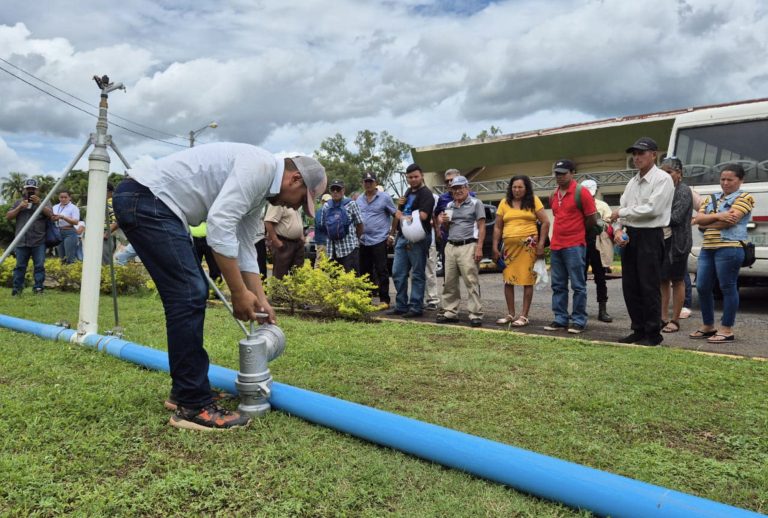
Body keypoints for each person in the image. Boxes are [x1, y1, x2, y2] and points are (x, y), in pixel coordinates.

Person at [112, 142, 326, 431]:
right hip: (148, 200)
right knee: (189, 295)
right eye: (302, 200)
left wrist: (259, 298)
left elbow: (246, 246)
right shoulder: (259, 168)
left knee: (187, 294)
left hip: (153, 203)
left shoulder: (260, 188)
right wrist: (238, 293)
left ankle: (185, 392)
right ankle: (192, 405)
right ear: (295, 179)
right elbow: (220, 225)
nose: (295, 207)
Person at [610, 137, 674, 346]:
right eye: (634, 154)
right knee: (631, 286)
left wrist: (621, 213)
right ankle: (638, 329)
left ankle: (653, 333)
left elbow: (652, 209)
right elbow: (621, 211)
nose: (637, 158)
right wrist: (618, 231)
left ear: (654, 154)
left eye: (641, 153)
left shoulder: (663, 179)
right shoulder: (632, 181)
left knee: (649, 286)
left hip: (651, 236)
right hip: (631, 236)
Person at [689, 164, 754, 343]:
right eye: (722, 179)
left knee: (727, 287)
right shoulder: (711, 198)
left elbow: (730, 222)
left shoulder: (745, 197)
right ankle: (708, 326)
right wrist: (719, 216)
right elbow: (698, 220)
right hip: (708, 248)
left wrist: (706, 221)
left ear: (740, 180)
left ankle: (726, 329)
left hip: (730, 247)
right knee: (702, 286)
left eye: (730, 180)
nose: (725, 183)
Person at [544, 160, 598, 334]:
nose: (559, 177)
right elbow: (557, 216)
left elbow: (591, 219)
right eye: (557, 173)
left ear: (572, 172)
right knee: (558, 285)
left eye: (563, 173)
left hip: (575, 245)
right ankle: (560, 319)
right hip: (557, 245)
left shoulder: (582, 193)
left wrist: (578, 233)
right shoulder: (553, 195)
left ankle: (578, 320)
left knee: (578, 285)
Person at [491, 175, 549, 327]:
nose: (517, 190)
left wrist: (541, 244)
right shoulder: (504, 203)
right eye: (514, 187)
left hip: (528, 247)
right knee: (508, 279)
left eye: (520, 187)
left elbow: (545, 222)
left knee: (527, 280)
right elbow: (497, 226)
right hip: (509, 248)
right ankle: (510, 314)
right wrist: (495, 246)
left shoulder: (534, 201)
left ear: (526, 188)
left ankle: (524, 316)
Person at [435, 176, 486, 327]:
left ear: (467, 188)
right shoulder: (450, 205)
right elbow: (446, 228)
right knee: (449, 281)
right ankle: (450, 312)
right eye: (454, 188)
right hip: (450, 245)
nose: (457, 191)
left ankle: (475, 313)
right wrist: (444, 223)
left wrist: (479, 247)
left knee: (471, 280)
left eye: (460, 187)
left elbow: (482, 226)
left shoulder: (476, 203)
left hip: (468, 244)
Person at [387, 163, 435, 318]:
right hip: (402, 236)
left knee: (417, 273)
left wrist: (402, 216)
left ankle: (416, 306)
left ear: (421, 176)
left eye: (416, 176)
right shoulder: (407, 192)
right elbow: (398, 213)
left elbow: (423, 216)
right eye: (410, 177)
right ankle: (401, 305)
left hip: (418, 237)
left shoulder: (426, 194)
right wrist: (399, 209)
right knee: (397, 272)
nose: (413, 180)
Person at [658, 157, 693, 334]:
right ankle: (663, 317)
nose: (665, 175)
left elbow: (676, 218)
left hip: (678, 243)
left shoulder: (684, 191)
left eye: (669, 172)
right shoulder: (661, 190)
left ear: (679, 174)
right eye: (662, 171)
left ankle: (675, 319)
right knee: (663, 280)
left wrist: (652, 215)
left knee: (677, 280)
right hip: (661, 241)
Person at [6, 178, 53, 295]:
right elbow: (8, 216)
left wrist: (39, 204)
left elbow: (51, 215)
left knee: (39, 266)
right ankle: (17, 289)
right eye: (28, 189)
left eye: (33, 189)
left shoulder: (44, 201)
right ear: (24, 190)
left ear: (37, 190)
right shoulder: (18, 202)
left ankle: (38, 288)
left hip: (38, 240)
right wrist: (19, 208)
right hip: (21, 240)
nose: (30, 191)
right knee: (20, 266)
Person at [356, 172, 396, 307]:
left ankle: (385, 300)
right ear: (363, 183)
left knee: (381, 270)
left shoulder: (384, 198)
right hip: (363, 240)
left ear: (375, 183)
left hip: (379, 239)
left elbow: (396, 215)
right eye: (366, 182)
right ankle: (366, 299)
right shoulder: (359, 199)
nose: (368, 184)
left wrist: (391, 234)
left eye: (370, 182)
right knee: (364, 271)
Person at [580, 179, 614, 323]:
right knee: (579, 279)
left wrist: (602, 224)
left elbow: (610, 222)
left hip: (598, 244)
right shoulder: (578, 204)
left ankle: (603, 310)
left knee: (600, 278)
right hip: (581, 243)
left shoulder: (602, 205)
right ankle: (579, 309)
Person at [322, 179, 364, 273]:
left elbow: (360, 224)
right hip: (331, 251)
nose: (335, 192)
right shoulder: (326, 206)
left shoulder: (351, 204)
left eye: (338, 189)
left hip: (349, 249)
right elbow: (324, 226)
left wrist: (356, 240)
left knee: (351, 281)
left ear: (343, 190)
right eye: (333, 189)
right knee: (334, 282)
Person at [264, 205, 305, 279]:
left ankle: (295, 291)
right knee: (280, 274)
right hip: (284, 242)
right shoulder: (278, 202)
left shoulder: (294, 202)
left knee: (298, 274)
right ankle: (278, 291)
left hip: (297, 242)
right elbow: (268, 222)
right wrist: (276, 241)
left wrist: (301, 236)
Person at [52, 189, 80, 264]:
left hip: (69, 232)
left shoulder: (73, 208)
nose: (63, 199)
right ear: (59, 197)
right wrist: (54, 218)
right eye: (61, 197)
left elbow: (76, 222)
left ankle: (71, 273)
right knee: (61, 258)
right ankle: (63, 273)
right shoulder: (55, 207)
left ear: (69, 198)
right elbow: (51, 218)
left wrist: (63, 217)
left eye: (65, 197)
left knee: (69, 257)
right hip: (58, 232)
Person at [313, 193, 332, 266]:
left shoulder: (328, 210)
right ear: (322, 202)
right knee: (319, 262)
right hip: (322, 241)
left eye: (328, 201)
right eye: (325, 201)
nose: (326, 203)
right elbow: (320, 224)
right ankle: (316, 277)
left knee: (326, 263)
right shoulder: (320, 211)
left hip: (326, 240)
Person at [103, 183, 118, 265]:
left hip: (106, 234)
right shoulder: (112, 201)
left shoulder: (110, 202)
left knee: (104, 263)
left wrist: (106, 234)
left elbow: (116, 220)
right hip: (109, 233)